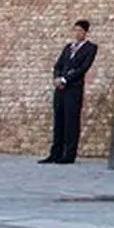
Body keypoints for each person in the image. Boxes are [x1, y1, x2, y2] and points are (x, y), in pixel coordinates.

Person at [41, 19, 98, 164]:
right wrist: (57, 78)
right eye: (75, 30)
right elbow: (58, 65)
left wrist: (66, 79)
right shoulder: (68, 47)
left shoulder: (90, 48)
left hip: (73, 88)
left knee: (71, 121)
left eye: (80, 30)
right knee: (58, 119)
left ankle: (69, 154)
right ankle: (55, 152)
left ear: (85, 32)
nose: (77, 33)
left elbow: (83, 68)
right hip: (60, 89)